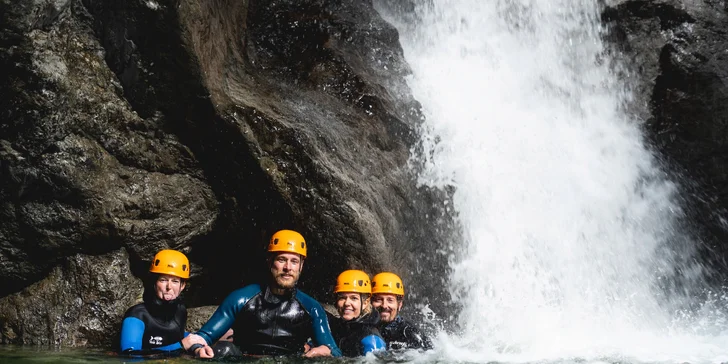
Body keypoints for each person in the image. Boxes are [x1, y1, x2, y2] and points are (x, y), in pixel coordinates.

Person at [187, 230, 342, 358]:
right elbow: (202, 337)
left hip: (290, 361)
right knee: (222, 349)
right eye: (281, 260)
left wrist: (324, 351)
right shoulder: (241, 298)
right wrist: (198, 348)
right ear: (270, 261)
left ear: (301, 266)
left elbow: (336, 353)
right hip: (245, 360)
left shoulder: (311, 308)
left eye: (294, 261)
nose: (288, 267)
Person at [119, 249, 212, 356]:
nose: (169, 287)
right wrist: (180, 346)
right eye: (163, 280)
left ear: (182, 286)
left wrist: (197, 347)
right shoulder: (136, 315)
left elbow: (175, 335)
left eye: (175, 281)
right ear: (154, 283)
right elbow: (129, 355)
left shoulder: (180, 311)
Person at [329, 270, 386, 357]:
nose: (347, 303)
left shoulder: (371, 339)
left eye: (354, 298)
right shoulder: (336, 326)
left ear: (365, 303)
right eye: (342, 298)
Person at [371, 272, 433, 350]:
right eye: (378, 300)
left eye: (390, 300)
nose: (384, 305)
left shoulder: (410, 333)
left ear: (399, 305)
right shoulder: (363, 329)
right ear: (370, 303)